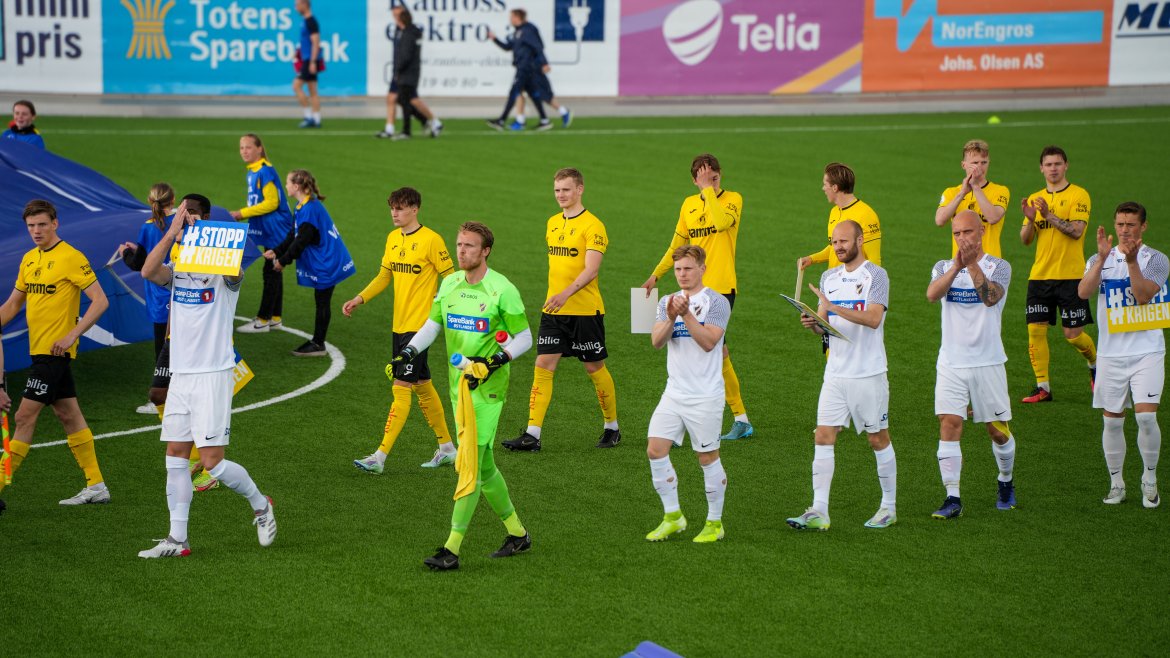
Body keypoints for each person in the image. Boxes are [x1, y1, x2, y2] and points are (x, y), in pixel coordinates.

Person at [137, 198, 276, 558]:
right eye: (182, 219)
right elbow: (148, 271)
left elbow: (235, 273)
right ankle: (177, 539)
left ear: (207, 222)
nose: (187, 225)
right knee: (175, 455)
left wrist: (211, 240)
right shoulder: (177, 267)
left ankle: (261, 505)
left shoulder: (225, 270)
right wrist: (171, 233)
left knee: (212, 462)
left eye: (192, 219)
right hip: (181, 374)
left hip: (213, 373)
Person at [392, 222, 532, 571]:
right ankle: (518, 534)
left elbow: (525, 338)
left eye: (469, 246)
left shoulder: (502, 290)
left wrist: (495, 360)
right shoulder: (450, 283)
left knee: (468, 465)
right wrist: (408, 352)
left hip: (488, 391)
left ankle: (451, 549)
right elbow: (432, 326)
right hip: (459, 389)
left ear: (485, 251)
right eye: (459, 244)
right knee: (484, 465)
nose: (462, 251)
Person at [786, 221, 897, 531]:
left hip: (868, 373)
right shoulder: (829, 277)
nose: (838, 247)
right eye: (834, 242)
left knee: (877, 438)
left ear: (859, 241)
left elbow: (873, 319)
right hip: (835, 373)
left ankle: (889, 507)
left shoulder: (876, 275)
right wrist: (814, 323)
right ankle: (819, 510)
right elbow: (825, 323)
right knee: (823, 435)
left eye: (844, 241)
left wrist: (833, 307)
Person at [0, 200, 110, 506]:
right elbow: (13, 304)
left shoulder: (71, 257)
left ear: (55, 224)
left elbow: (100, 301)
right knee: (68, 414)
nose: (36, 231)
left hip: (55, 353)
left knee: (23, 416)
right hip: (39, 352)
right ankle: (96, 485)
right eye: (31, 226)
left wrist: (72, 334)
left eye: (41, 225)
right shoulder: (29, 259)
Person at [504, 168, 619, 452]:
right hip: (554, 311)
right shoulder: (553, 223)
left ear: (580, 189)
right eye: (557, 190)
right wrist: (558, 298)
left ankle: (612, 427)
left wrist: (565, 294)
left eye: (566, 189)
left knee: (594, 367)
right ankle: (532, 434)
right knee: (543, 364)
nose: (560, 195)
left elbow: (591, 270)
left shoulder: (594, 226)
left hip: (585, 312)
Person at [641, 154, 752, 441]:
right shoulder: (688, 205)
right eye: (704, 179)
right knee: (707, 350)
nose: (711, 183)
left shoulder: (733, 200)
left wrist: (708, 191)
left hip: (720, 290)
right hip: (692, 288)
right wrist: (655, 275)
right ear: (694, 180)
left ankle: (731, 418)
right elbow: (676, 246)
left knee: (713, 348)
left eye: (714, 178)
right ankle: (737, 419)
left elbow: (721, 223)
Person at [346, 187, 457, 472]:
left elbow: (451, 276)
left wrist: (440, 298)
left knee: (401, 387)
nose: (394, 213)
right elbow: (384, 275)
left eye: (400, 208)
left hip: (420, 328)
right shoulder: (393, 238)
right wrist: (360, 298)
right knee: (422, 385)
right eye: (392, 208)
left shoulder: (431, 240)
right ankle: (447, 448)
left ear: (415, 209)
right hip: (399, 325)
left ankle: (379, 457)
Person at [926, 210, 1018, 520]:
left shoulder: (999, 267)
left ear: (981, 232)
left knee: (997, 432)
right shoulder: (943, 266)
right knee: (949, 424)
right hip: (951, 362)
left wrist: (972, 265)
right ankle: (952, 497)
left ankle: (1005, 480)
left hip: (988, 362)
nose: (962, 238)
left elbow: (990, 298)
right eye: (956, 234)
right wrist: (956, 266)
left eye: (967, 232)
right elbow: (932, 295)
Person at [1078, 202, 1167, 508]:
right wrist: (1102, 260)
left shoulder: (1156, 259)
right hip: (1111, 354)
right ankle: (1117, 484)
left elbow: (1143, 296)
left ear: (1143, 227)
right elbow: (1083, 292)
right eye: (1120, 224)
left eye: (1131, 225)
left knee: (1146, 417)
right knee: (1112, 422)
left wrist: (1130, 263)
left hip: (1147, 351)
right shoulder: (1099, 258)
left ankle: (1149, 479)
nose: (1125, 230)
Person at [644, 245, 730, 544]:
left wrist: (686, 316)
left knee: (707, 457)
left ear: (702, 269)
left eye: (688, 268)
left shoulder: (717, 302)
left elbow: (709, 343)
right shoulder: (666, 301)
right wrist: (670, 317)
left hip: (705, 395)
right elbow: (656, 342)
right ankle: (673, 517)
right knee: (655, 450)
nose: (682, 274)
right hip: (674, 393)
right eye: (678, 269)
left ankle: (715, 523)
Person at [1020, 145, 1096, 403]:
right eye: (1048, 164)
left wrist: (1047, 215)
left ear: (1066, 166)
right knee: (1035, 331)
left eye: (1057, 164)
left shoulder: (1079, 195)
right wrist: (1031, 220)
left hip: (1071, 277)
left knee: (1073, 336)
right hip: (1039, 276)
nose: (1053, 169)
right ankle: (1043, 387)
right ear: (1041, 168)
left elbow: (1076, 231)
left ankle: (1095, 364)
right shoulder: (1035, 198)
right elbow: (1025, 240)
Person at [264, 169, 355, 357]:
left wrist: (283, 261)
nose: (286, 186)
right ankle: (318, 342)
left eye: (288, 182)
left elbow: (301, 241)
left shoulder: (309, 209)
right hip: (326, 257)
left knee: (322, 301)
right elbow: (294, 234)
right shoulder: (303, 205)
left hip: (328, 261)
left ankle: (318, 344)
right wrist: (277, 250)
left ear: (296, 186)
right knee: (321, 300)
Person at [119, 183, 177, 415]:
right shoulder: (181, 224)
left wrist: (126, 252)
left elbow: (139, 264)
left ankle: (162, 400)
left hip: (159, 297)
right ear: (173, 200)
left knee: (162, 352)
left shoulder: (148, 227)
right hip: (181, 293)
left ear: (150, 201)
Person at [229, 134, 294, 334]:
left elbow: (272, 203)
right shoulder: (254, 171)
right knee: (273, 269)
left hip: (277, 228)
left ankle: (263, 320)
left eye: (248, 147)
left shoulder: (265, 171)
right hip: (269, 229)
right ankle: (275, 318)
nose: (244, 151)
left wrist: (241, 213)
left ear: (259, 148)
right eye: (241, 148)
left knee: (271, 271)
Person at [486, 9, 572, 132]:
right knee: (533, 94)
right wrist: (494, 39)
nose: (510, 19)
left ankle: (502, 120)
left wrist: (544, 63)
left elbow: (538, 47)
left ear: (517, 17)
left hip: (527, 67)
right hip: (523, 67)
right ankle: (542, 120)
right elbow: (508, 47)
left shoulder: (528, 30)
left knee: (517, 92)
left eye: (512, 17)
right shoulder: (518, 32)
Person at [935, 139, 1010, 258]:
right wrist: (962, 193)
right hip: (961, 264)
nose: (979, 167)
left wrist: (975, 186)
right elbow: (940, 220)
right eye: (975, 163)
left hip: (990, 263)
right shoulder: (951, 193)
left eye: (984, 162)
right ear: (963, 165)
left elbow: (993, 218)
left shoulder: (1000, 191)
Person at [800, 162, 882, 271]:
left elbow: (874, 260)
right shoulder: (834, 212)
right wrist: (812, 259)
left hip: (854, 281)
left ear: (835, 187)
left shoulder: (866, 215)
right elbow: (835, 248)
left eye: (825, 184)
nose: (823, 188)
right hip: (834, 280)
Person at [376, 7, 442, 140]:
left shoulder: (409, 32)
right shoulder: (400, 31)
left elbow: (406, 55)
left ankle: (429, 122)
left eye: (397, 15)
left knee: (411, 100)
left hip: (405, 72)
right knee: (393, 98)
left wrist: (398, 69)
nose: (395, 18)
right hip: (402, 71)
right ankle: (390, 128)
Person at [292, 0, 323, 128]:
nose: (295, 8)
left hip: (310, 60)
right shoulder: (305, 21)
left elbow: (316, 42)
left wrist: (312, 62)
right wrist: (297, 53)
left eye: (297, 5)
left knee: (296, 86)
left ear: (305, 4)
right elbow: (306, 42)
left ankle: (308, 116)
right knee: (312, 90)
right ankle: (317, 119)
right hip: (307, 58)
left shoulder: (311, 21)